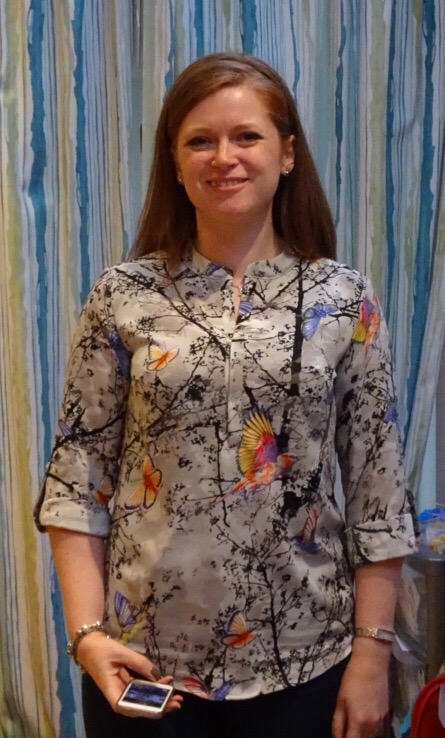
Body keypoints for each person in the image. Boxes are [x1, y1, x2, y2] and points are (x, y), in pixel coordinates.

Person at [35, 52, 417, 738]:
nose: (224, 158)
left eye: (246, 136)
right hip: (145, 666)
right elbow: (77, 477)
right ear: (175, 163)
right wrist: (87, 636)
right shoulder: (122, 296)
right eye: (199, 141)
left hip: (310, 663)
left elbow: (377, 489)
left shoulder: (342, 298)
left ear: (287, 153)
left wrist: (372, 653)